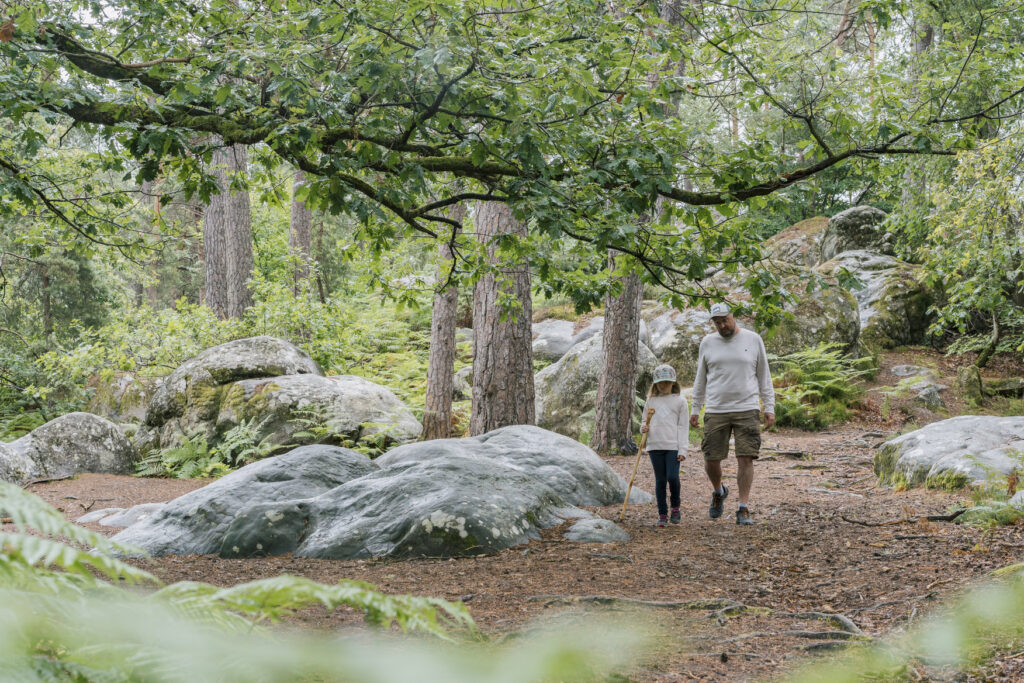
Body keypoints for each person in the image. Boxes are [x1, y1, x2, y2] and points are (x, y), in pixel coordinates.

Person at [689, 303, 775, 525]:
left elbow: (764, 375)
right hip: (717, 408)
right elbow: (701, 379)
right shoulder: (707, 343)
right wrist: (695, 408)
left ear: (733, 316)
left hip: (747, 407)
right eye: (717, 322)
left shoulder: (753, 339)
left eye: (725, 320)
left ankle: (743, 507)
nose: (722, 325)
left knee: (746, 457)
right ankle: (719, 491)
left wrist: (769, 406)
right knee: (711, 457)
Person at [640, 364, 689, 528]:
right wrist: (643, 428)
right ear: (655, 383)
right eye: (660, 382)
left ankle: (675, 507)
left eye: (667, 382)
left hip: (672, 446)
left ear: (673, 382)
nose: (663, 385)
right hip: (655, 446)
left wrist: (683, 449)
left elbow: (683, 427)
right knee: (660, 480)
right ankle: (662, 513)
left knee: (672, 477)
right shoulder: (651, 400)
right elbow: (644, 421)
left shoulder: (680, 401)